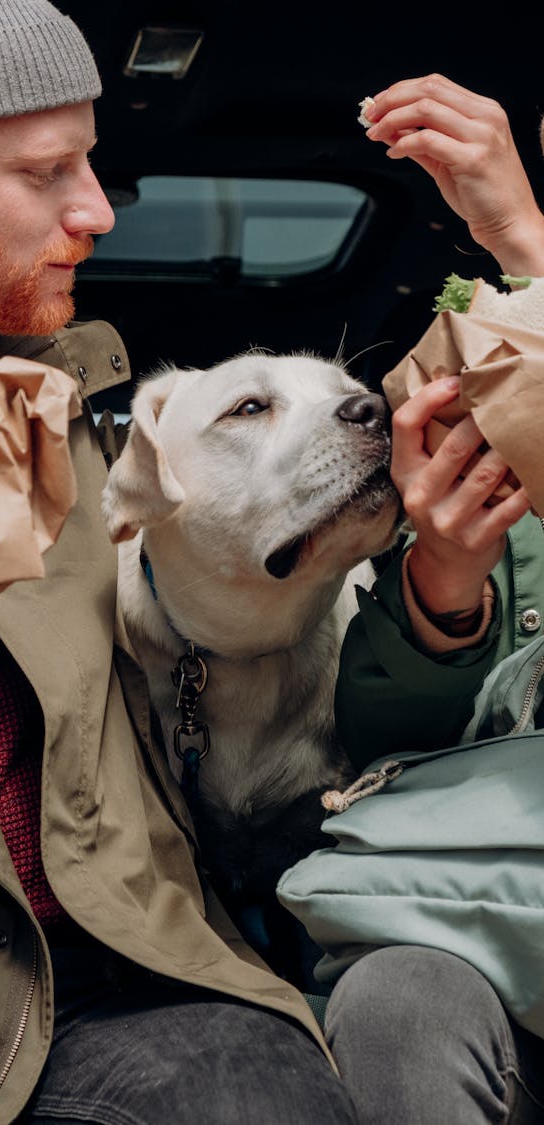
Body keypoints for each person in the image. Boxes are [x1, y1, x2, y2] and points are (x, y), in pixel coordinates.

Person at [0, 2, 359, 1123]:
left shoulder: (92, 432)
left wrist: (437, 581)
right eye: (46, 172)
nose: (97, 209)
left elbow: (226, 671)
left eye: (90, 162)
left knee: (249, 1080)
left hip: (144, 987)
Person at [327, 74, 544, 1122]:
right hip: (502, 905)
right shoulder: (484, 385)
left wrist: (529, 247)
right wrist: (444, 587)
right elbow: (390, 757)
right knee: (394, 1002)